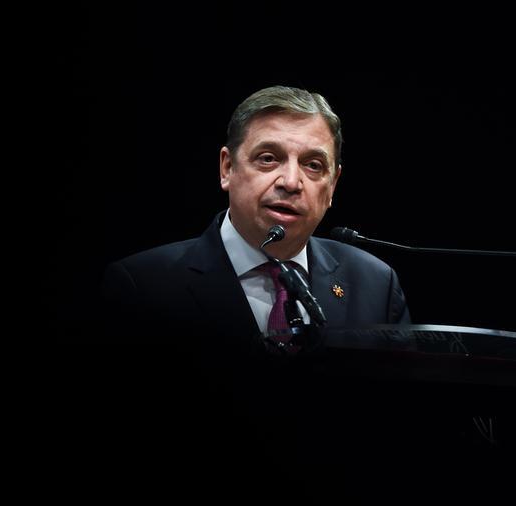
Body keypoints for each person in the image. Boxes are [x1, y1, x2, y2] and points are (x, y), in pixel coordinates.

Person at [100, 85, 410, 353]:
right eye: (268, 158)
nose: (291, 182)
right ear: (227, 168)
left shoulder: (375, 285)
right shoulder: (143, 287)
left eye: (313, 165)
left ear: (332, 186)